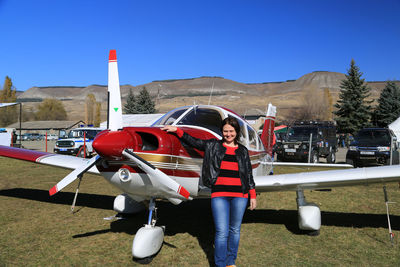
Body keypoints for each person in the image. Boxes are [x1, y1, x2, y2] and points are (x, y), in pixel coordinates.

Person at [162, 117, 256, 267]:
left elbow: (249, 174)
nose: (228, 134)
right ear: (221, 131)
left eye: (231, 131)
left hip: (240, 195)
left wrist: (253, 194)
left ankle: (230, 262)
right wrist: (178, 131)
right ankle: (219, 264)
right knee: (221, 232)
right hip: (220, 195)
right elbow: (194, 142)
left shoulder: (243, 151)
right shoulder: (212, 145)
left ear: (236, 132)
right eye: (225, 131)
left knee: (235, 230)